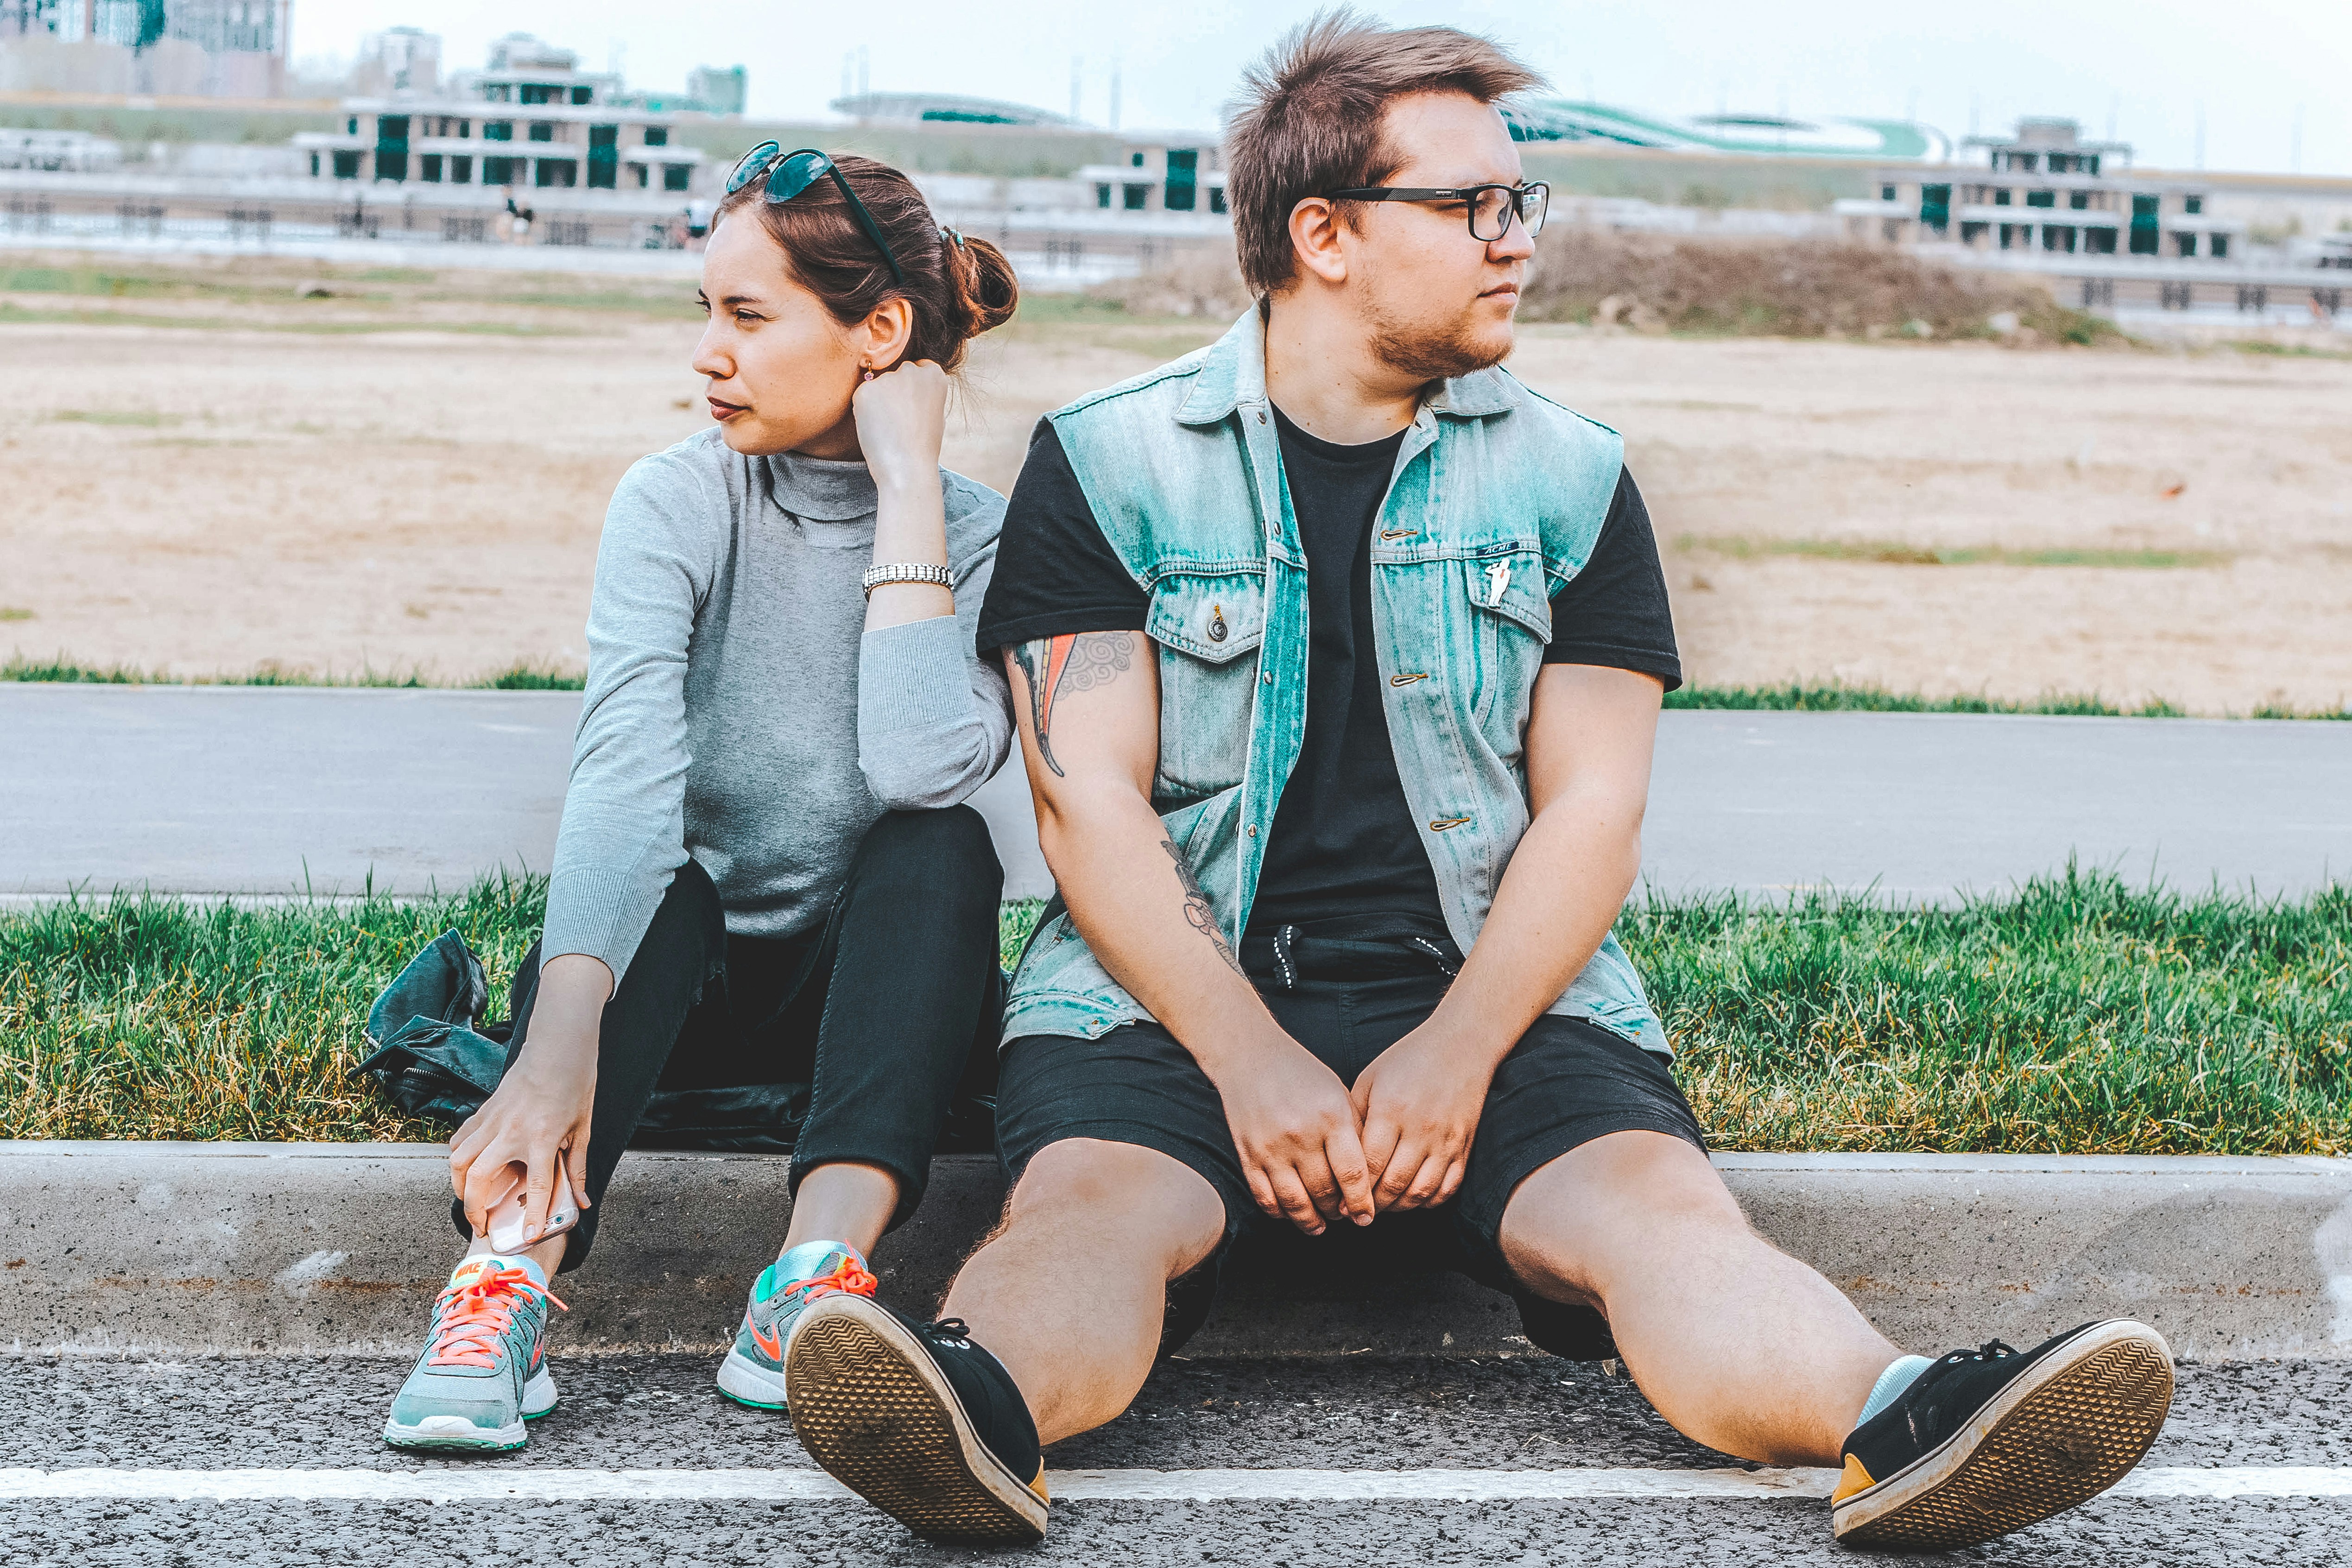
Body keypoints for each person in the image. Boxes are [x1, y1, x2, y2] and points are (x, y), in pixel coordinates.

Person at [777, 17, 2177, 1550]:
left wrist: (1454, 1053)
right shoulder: (1110, 463)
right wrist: (1248, 1063)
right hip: (1168, 999)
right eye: (1468, 209)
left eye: (1520, 204)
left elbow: (1593, 810)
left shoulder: (1570, 478)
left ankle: (1902, 1416)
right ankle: (976, 1418)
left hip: (1495, 992)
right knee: (1085, 1215)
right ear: (1322, 234)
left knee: (1660, 1216)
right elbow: (1084, 805)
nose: (1513, 243)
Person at [381, 145, 1022, 1452]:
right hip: (673, 997)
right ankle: (507, 1273)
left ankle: (809, 1289)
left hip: (877, 1019)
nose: (707, 356)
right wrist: (549, 1059)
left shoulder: (983, 529)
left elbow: (917, 764)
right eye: (705, 315)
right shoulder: (676, 497)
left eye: (748, 316)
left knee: (939, 847)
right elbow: (624, 768)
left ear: (878, 334)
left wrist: (908, 493)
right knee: (665, 876)